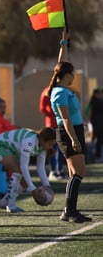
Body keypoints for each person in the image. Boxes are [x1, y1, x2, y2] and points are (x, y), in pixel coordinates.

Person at [47, 28, 92, 223]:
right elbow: (65, 119)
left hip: (75, 131)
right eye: (72, 73)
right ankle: (69, 211)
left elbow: (61, 64)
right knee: (79, 172)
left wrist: (63, 43)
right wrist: (74, 139)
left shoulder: (62, 87)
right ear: (66, 75)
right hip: (68, 133)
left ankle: (70, 210)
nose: (74, 75)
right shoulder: (59, 93)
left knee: (76, 173)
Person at [0, 128, 56, 212]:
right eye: (50, 144)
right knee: (18, 172)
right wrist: (33, 189)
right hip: (0, 145)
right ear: (42, 140)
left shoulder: (42, 147)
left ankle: (4, 202)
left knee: (25, 182)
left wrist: (47, 186)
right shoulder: (29, 141)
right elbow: (24, 167)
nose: (51, 147)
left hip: (13, 150)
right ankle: (11, 206)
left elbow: (40, 168)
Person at [39, 87, 66, 180]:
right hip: (51, 124)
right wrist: (52, 115)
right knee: (52, 147)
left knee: (61, 148)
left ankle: (60, 169)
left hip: (60, 123)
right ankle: (53, 170)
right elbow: (42, 108)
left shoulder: (61, 91)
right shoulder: (47, 91)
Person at [86, 88, 103, 162]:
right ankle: (96, 156)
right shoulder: (96, 102)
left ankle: (95, 156)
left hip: (96, 123)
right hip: (97, 124)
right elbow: (88, 112)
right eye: (99, 93)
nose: (100, 95)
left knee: (97, 140)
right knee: (97, 139)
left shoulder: (95, 102)